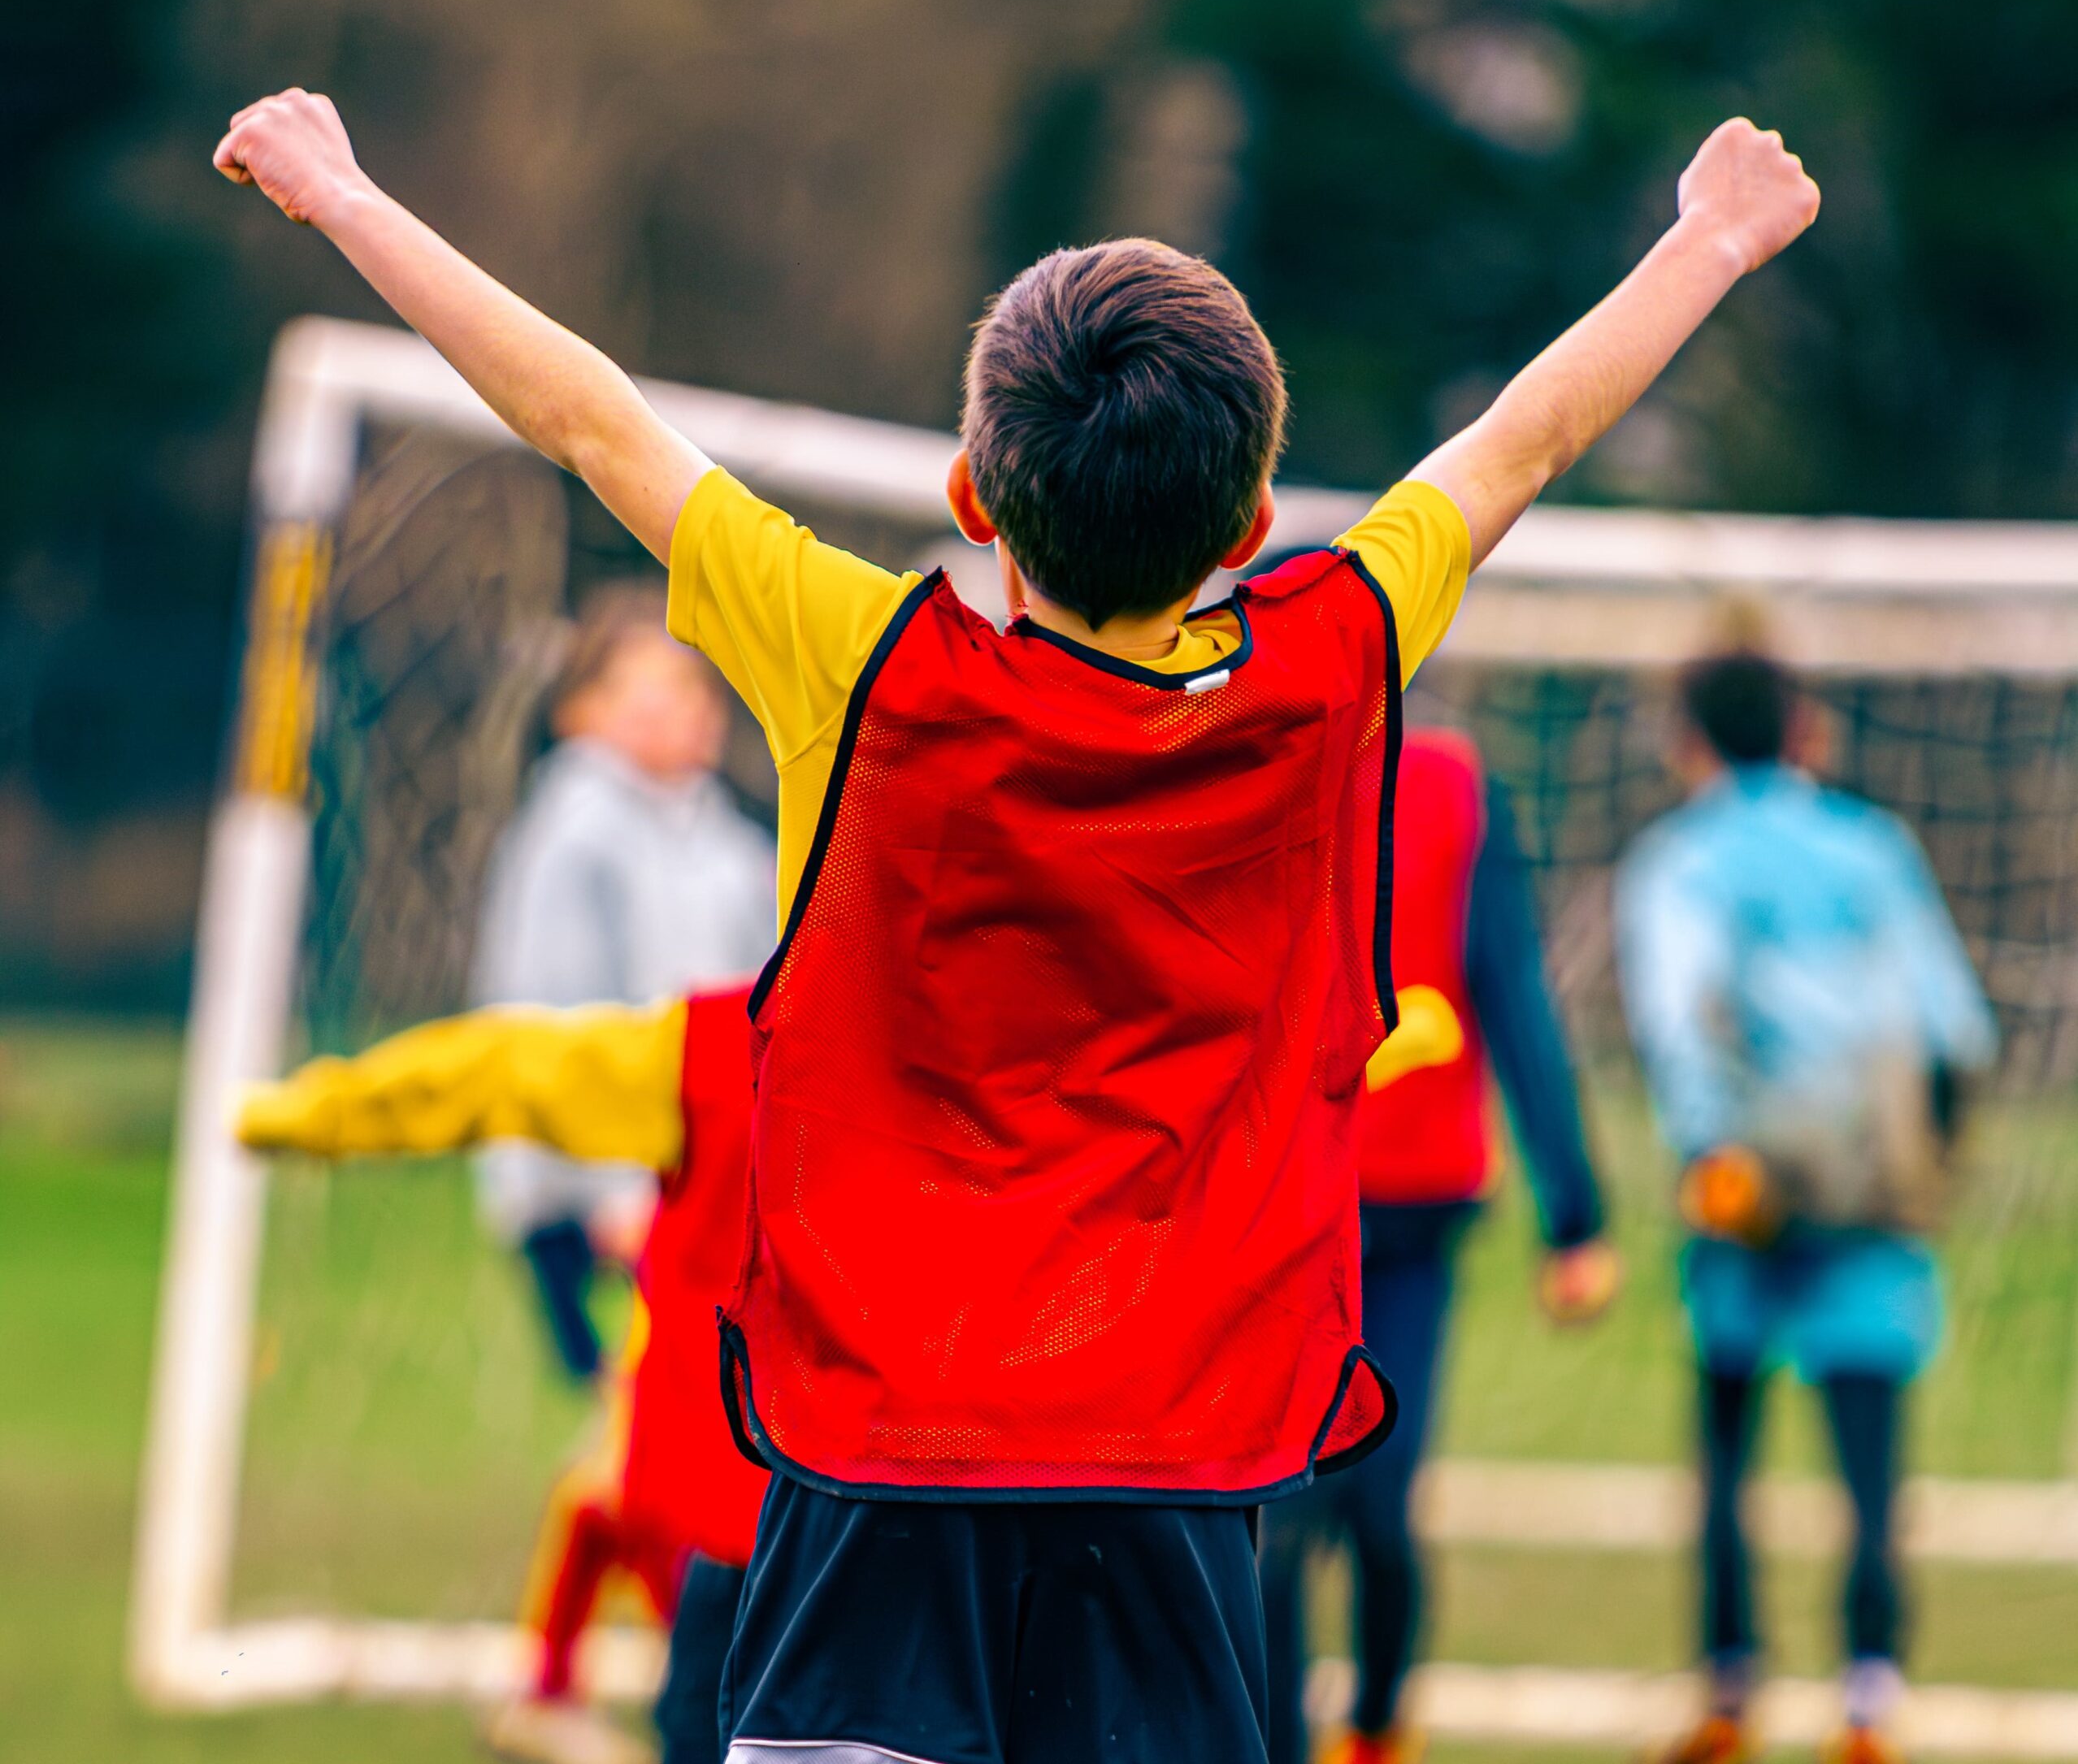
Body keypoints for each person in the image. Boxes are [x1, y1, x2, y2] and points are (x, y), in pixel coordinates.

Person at [215, 85, 1819, 1764]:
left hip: (878, 1472)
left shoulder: (865, 665)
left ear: (977, 495)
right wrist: (1707, 234)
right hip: (1180, 1483)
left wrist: (343, 194)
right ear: (1254, 522)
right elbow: (1525, 443)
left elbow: (595, 424)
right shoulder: (1336, 653)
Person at [1615, 644, 1997, 1764]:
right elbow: (1954, 1028)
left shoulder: (1677, 860)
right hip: (1870, 1193)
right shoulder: (1874, 847)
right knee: (1869, 1457)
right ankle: (1870, 1696)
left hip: (1746, 1190)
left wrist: (1709, 1152)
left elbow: (1678, 1022)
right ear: (1799, 731)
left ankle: (1730, 1687)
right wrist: (1927, 1156)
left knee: (1727, 1447)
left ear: (1688, 741)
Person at [238, 986, 767, 1764]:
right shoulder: (974, 1045)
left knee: (624, 1525)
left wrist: (320, 1112)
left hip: (748, 1525)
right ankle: (548, 1688)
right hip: (934, 1527)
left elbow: (495, 1074)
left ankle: (548, 1691)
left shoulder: (727, 1045)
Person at [1260, 726, 1619, 1764]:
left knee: (1377, 1501)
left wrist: (1575, 1210)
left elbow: (1511, 989)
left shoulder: (1456, 788)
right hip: (1280, 1215)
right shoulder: (1247, 756)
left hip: (1413, 1211)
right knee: (1277, 1515)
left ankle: (1375, 1726)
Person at [472, 581, 775, 1385]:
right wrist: (606, 1186)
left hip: (702, 1175)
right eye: (642, 687)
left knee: (699, 1409)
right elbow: (558, 1005)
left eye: (686, 685)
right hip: (602, 1188)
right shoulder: (578, 829)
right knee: (649, 1412)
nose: (672, 706)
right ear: (581, 710)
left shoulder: (724, 842)